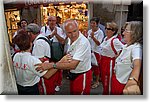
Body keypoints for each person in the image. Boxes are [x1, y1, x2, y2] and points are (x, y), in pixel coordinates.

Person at [36, 19, 92, 95]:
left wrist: (51, 65)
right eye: (69, 33)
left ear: (78, 28)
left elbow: (72, 65)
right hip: (74, 74)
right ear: (65, 32)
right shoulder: (69, 39)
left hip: (82, 74)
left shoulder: (83, 42)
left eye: (75, 31)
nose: (73, 35)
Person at [12, 29, 57, 95]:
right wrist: (57, 65)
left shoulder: (15, 56)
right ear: (30, 43)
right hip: (31, 89)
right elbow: (47, 75)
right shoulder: (33, 60)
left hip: (19, 87)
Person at [111, 21, 143, 95]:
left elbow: (137, 64)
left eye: (126, 31)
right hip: (116, 79)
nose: (123, 33)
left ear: (135, 33)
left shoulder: (137, 48)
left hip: (123, 84)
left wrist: (133, 81)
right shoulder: (126, 45)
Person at [26, 23, 57, 94]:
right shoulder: (42, 38)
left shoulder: (38, 43)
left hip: (44, 74)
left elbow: (38, 62)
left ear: (30, 33)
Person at [40, 16, 66, 91]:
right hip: (47, 50)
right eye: (50, 20)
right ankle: (50, 83)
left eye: (53, 21)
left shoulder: (59, 30)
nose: (52, 22)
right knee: (49, 66)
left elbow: (62, 41)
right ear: (47, 21)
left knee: (58, 67)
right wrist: (51, 35)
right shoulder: (43, 29)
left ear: (56, 21)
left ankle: (58, 83)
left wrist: (56, 34)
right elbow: (42, 40)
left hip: (57, 50)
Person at [99, 21, 124, 94]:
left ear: (113, 31)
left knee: (108, 81)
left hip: (109, 63)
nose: (106, 30)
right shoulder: (106, 38)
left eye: (108, 29)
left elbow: (124, 49)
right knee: (104, 80)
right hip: (103, 61)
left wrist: (117, 57)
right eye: (106, 28)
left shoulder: (115, 41)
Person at [87, 17, 104, 89]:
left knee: (96, 67)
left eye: (94, 23)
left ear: (97, 24)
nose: (92, 25)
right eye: (91, 23)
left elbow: (99, 43)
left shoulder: (100, 32)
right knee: (90, 67)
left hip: (96, 52)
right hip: (90, 51)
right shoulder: (89, 31)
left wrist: (93, 37)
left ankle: (97, 81)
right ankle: (90, 80)